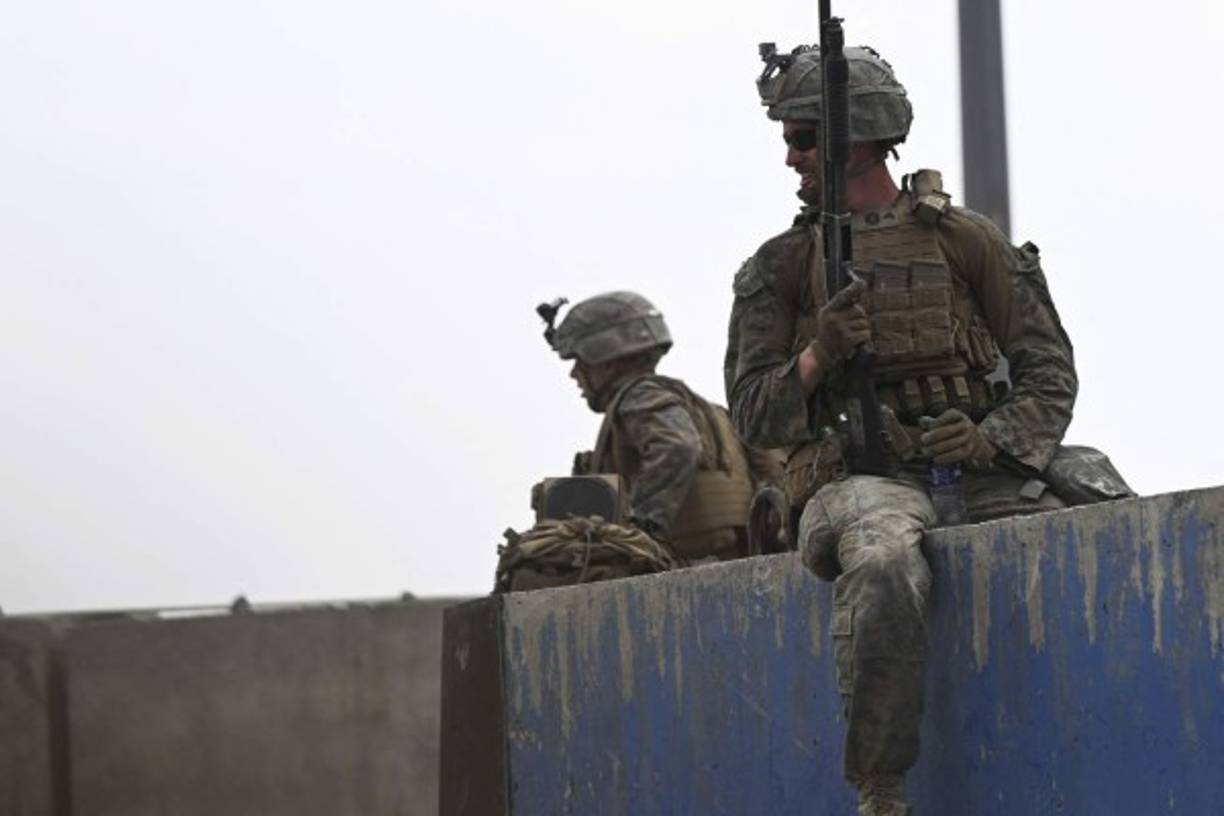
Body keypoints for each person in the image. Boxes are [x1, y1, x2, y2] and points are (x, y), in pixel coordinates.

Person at [724, 44, 1079, 814]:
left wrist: (993, 438)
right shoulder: (781, 266)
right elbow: (752, 411)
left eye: (806, 136)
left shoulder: (965, 240)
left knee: (1096, 531)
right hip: (859, 486)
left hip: (976, 475)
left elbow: (1049, 373)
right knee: (883, 565)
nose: (791, 157)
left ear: (859, 137)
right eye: (790, 137)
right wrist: (820, 353)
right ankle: (881, 787)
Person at [547, 291, 767, 563]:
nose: (574, 374)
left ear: (607, 361)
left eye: (579, 361)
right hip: (725, 564)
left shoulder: (641, 396)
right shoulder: (705, 411)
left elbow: (677, 445)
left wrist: (636, 534)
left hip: (686, 568)